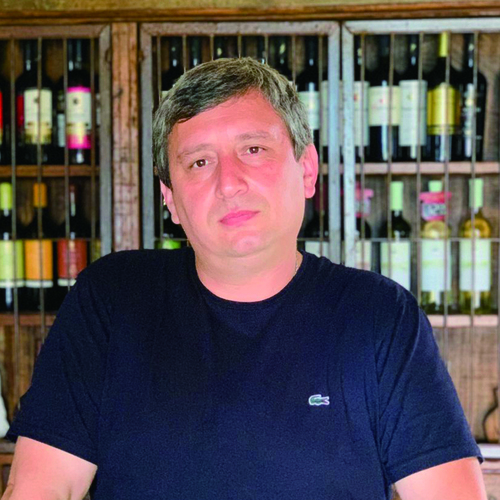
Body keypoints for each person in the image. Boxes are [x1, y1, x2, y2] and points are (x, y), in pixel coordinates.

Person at [2, 57, 487, 500]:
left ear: (307, 170)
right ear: (170, 199)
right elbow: (41, 489)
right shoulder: (112, 299)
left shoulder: (378, 315)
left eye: (253, 149)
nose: (228, 183)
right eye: (199, 162)